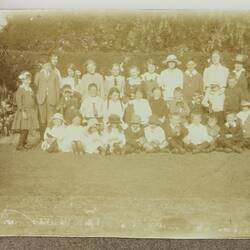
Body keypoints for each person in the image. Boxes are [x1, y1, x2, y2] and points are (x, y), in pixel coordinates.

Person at [12, 71, 40, 150]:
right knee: (24, 128)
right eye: (26, 80)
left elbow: (32, 99)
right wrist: (22, 111)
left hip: (30, 110)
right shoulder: (21, 89)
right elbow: (18, 101)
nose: (28, 81)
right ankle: (19, 145)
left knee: (27, 128)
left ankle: (24, 143)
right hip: (24, 111)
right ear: (23, 80)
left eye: (29, 80)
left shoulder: (29, 89)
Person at [35, 60, 60, 137]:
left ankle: (50, 135)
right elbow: (35, 87)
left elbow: (57, 89)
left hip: (52, 99)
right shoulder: (38, 75)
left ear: (51, 66)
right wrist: (37, 97)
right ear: (43, 66)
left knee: (51, 118)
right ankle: (42, 137)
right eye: (46, 65)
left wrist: (57, 100)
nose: (47, 67)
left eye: (49, 65)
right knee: (42, 119)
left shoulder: (55, 75)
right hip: (41, 99)